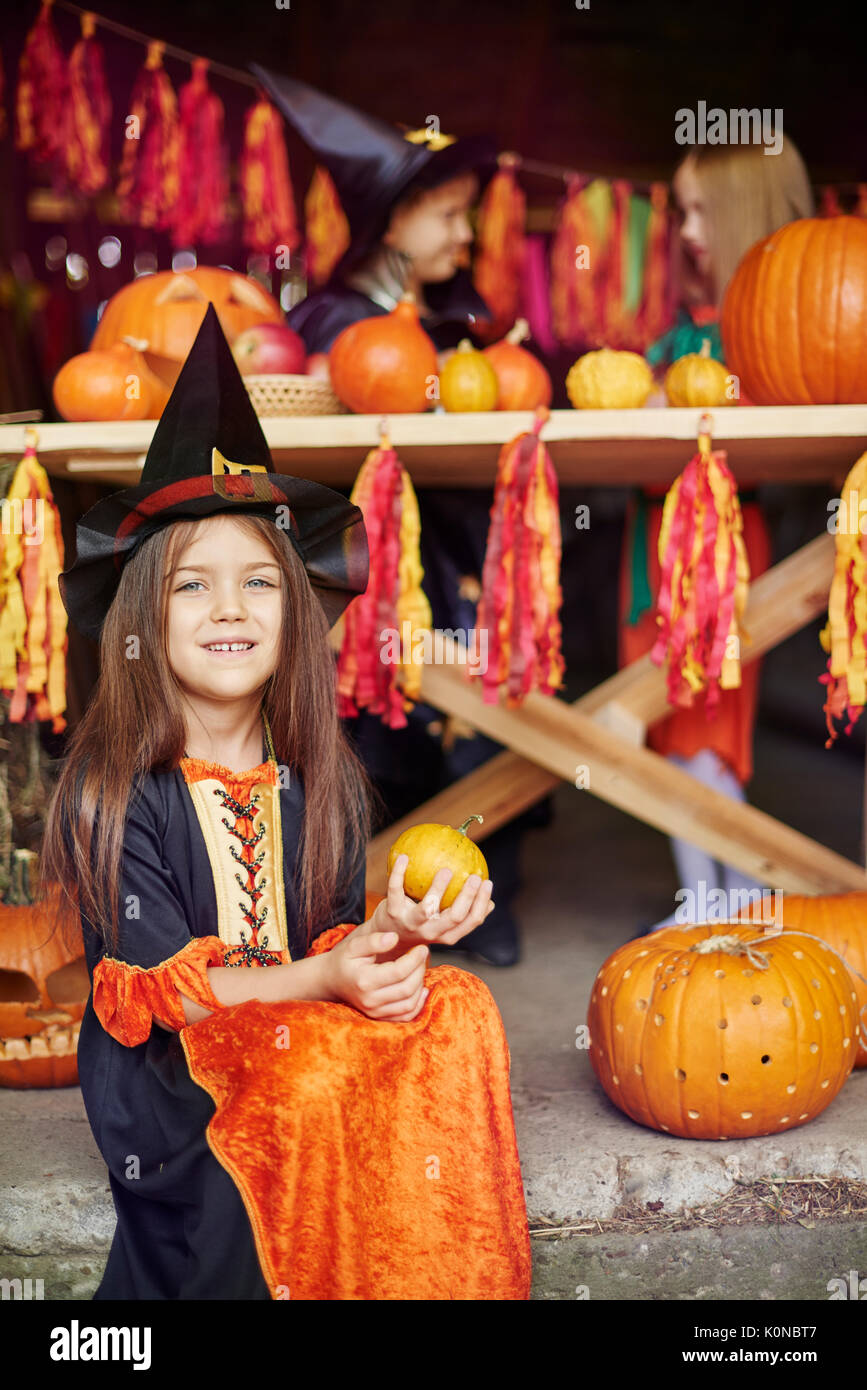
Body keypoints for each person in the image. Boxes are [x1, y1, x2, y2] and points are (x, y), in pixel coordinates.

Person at [38, 307, 531, 1300]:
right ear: (143, 614)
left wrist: (390, 937)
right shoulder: (114, 792)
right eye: (194, 587)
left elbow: (326, 945)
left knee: (459, 1008)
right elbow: (160, 998)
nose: (231, 608)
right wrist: (325, 982)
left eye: (260, 582)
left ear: (295, 611)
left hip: (294, 1014)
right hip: (175, 1077)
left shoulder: (320, 780)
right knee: (299, 1081)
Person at [252, 67, 551, 966]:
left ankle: (482, 884)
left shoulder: (462, 318)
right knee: (379, 728)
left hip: (462, 557)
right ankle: (370, 897)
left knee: (482, 704)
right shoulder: (329, 323)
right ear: (392, 224)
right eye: (449, 213)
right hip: (366, 571)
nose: (465, 233)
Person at [619, 139, 815, 933]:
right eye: (681, 210)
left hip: (718, 548)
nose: (687, 228)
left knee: (704, 728)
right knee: (661, 726)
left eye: (703, 209)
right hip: (648, 544)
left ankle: (727, 894)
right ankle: (714, 895)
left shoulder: (769, 332)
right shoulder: (677, 331)